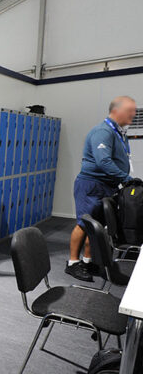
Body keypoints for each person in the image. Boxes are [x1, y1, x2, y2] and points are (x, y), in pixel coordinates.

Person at [65, 96, 137, 281]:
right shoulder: (102, 131)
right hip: (91, 184)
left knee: (97, 226)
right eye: (130, 110)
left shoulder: (119, 133)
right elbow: (103, 161)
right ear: (116, 111)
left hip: (107, 186)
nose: (133, 114)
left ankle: (87, 262)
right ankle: (72, 263)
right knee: (84, 224)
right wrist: (126, 179)